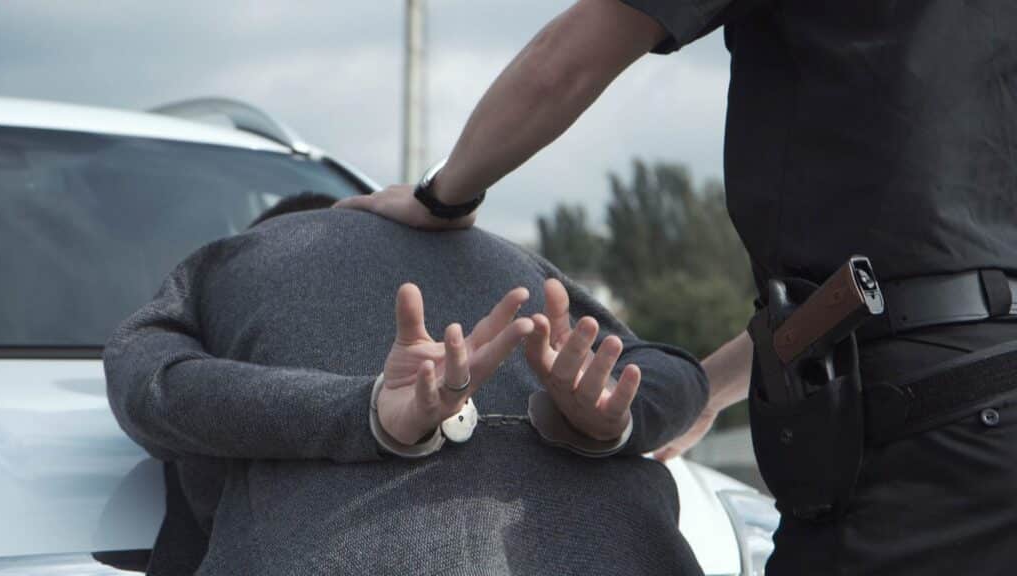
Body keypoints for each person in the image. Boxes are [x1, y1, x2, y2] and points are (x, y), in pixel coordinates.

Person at [338, 0, 1017, 573]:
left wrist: (444, 195)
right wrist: (711, 390)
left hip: (923, 447)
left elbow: (571, 56)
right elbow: (902, 279)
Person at [104, 194, 708, 575]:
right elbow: (679, 374)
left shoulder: (225, 259)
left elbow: (150, 386)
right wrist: (616, 420)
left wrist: (361, 412)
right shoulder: (509, 256)